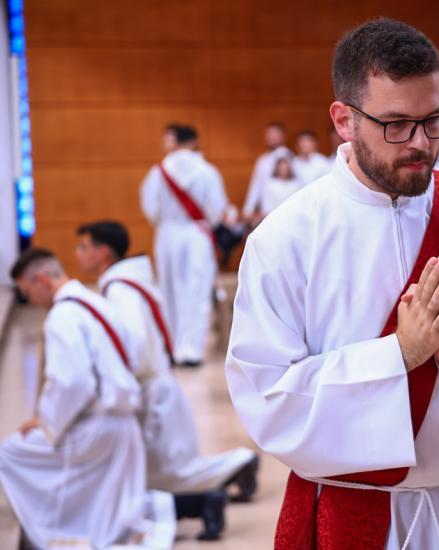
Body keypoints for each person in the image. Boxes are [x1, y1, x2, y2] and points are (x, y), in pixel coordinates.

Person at [225, 18, 439, 549]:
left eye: (433, 120)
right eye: (395, 124)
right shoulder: (287, 237)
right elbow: (266, 394)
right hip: (351, 509)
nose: (419, 143)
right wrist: (398, 356)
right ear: (344, 120)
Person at [75, 221, 260, 538]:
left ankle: (229, 472)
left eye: (83, 247)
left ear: (102, 252)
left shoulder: (120, 289)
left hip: (151, 392)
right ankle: (211, 491)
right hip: (157, 387)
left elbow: (136, 348)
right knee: (154, 474)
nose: (77, 255)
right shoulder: (124, 283)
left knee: (167, 474)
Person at [0, 249, 147, 548]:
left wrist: (47, 422)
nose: (28, 301)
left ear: (41, 280)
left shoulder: (62, 316)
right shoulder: (92, 299)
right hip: (122, 420)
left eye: (27, 292)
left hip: (98, 427)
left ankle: (46, 530)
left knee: (11, 452)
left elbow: (73, 383)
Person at [140, 125, 228, 367]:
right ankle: (191, 351)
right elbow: (216, 208)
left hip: (168, 233)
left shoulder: (158, 172)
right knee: (196, 290)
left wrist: (166, 221)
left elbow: (150, 207)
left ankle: (170, 347)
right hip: (196, 232)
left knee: (167, 290)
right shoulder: (207, 171)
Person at [242, 122, 292, 222]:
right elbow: (256, 185)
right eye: (268, 134)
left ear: (282, 136)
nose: (271, 137)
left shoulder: (286, 155)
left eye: (274, 134)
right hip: (264, 211)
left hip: (283, 211)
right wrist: (248, 208)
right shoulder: (262, 159)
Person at [255, 157, 305, 222]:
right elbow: (267, 204)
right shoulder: (270, 184)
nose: (283, 170)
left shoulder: (296, 184)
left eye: (285, 168)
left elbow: (299, 203)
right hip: (273, 218)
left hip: (292, 217)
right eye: (281, 168)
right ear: (277, 169)